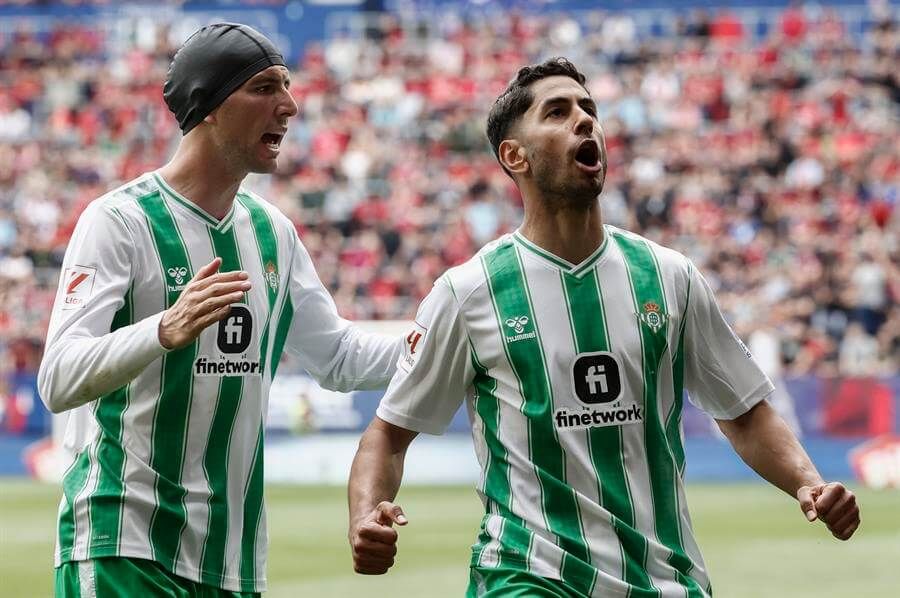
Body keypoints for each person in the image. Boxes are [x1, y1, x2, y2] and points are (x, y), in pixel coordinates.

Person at [347, 58, 860, 597]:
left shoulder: (669, 277)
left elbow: (745, 414)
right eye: (558, 111)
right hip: (528, 576)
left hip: (665, 579)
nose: (585, 120)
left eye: (589, 109)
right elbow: (388, 434)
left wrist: (810, 485)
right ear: (513, 155)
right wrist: (364, 516)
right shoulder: (469, 292)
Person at [38, 23, 401, 598]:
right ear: (207, 105)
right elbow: (58, 377)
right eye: (263, 87)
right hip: (124, 544)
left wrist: (448, 339)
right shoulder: (119, 222)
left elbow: (339, 358)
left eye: (287, 85)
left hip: (231, 560)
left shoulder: (272, 232)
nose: (289, 104)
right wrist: (161, 328)